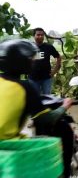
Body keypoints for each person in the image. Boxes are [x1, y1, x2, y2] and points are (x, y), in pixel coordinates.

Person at [0, 39, 73, 178]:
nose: (33, 62)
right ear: (22, 62)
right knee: (53, 146)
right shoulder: (25, 87)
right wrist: (65, 105)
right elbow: (46, 119)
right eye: (30, 59)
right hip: (6, 146)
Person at [29, 27, 61, 94]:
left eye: (42, 35)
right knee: (35, 98)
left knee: (47, 98)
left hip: (46, 78)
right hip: (33, 78)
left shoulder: (48, 47)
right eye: (38, 35)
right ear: (34, 36)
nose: (40, 36)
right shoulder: (30, 47)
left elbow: (58, 57)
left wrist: (54, 71)